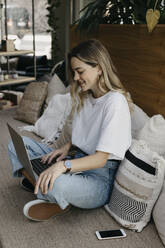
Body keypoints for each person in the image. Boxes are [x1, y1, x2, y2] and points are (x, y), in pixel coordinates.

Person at [8, 39, 132, 221]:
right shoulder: (86, 97)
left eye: (80, 71)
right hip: (75, 160)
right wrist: (67, 147)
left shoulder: (115, 102)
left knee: (57, 183)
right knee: (15, 145)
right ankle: (46, 187)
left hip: (98, 179)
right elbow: (88, 134)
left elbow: (100, 159)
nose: (75, 78)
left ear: (99, 68)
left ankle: (48, 188)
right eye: (74, 72)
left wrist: (62, 166)